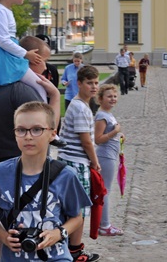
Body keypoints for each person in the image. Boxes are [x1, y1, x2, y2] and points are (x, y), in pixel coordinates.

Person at [0, 102, 92, 262]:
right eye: (21, 130)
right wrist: (4, 237)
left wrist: (58, 233)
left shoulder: (66, 175)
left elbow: (77, 217)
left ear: (53, 134)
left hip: (56, 257)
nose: (28, 136)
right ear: (15, 133)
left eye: (37, 129)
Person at [0, 36, 62, 172]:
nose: (46, 67)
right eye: (44, 61)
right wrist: (55, 96)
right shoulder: (20, 90)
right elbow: (49, 132)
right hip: (25, 170)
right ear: (33, 58)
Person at [57, 65, 102, 262]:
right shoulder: (81, 108)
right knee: (79, 210)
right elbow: (86, 141)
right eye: (89, 83)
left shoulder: (76, 105)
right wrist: (95, 161)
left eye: (96, 83)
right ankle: (75, 251)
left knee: (71, 208)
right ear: (79, 84)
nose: (94, 87)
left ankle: (68, 248)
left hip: (68, 160)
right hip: (77, 163)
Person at [95, 84, 124, 236]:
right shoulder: (101, 116)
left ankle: (103, 223)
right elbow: (98, 139)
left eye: (114, 96)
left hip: (111, 154)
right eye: (109, 96)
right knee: (105, 191)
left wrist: (118, 136)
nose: (113, 99)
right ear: (100, 99)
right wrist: (115, 131)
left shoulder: (108, 114)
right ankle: (104, 225)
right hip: (105, 156)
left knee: (105, 190)